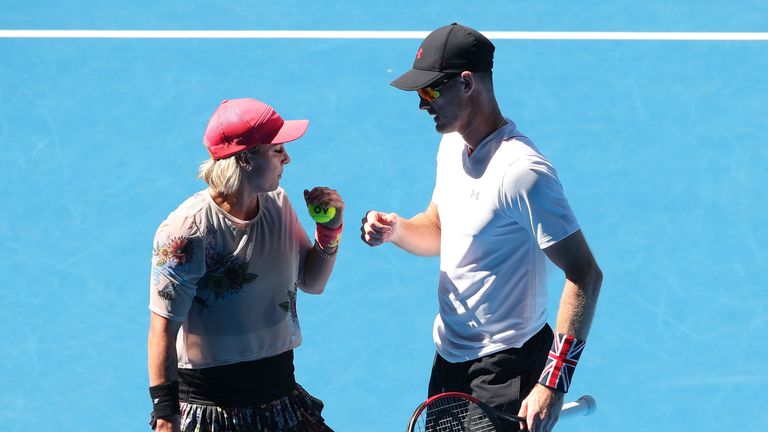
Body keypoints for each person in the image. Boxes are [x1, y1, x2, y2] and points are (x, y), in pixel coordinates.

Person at [360, 23, 602, 432]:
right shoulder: (452, 144)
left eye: (431, 90)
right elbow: (439, 228)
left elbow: (585, 274)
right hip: (450, 359)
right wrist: (397, 230)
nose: (422, 104)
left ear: (467, 83)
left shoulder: (522, 173)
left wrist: (553, 382)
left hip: (507, 365)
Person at [147, 98, 343, 432]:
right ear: (246, 159)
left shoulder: (278, 204)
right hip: (212, 411)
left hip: (282, 397)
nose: (288, 159)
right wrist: (166, 415)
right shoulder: (187, 233)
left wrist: (329, 231)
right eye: (277, 150)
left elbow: (311, 281)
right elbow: (162, 329)